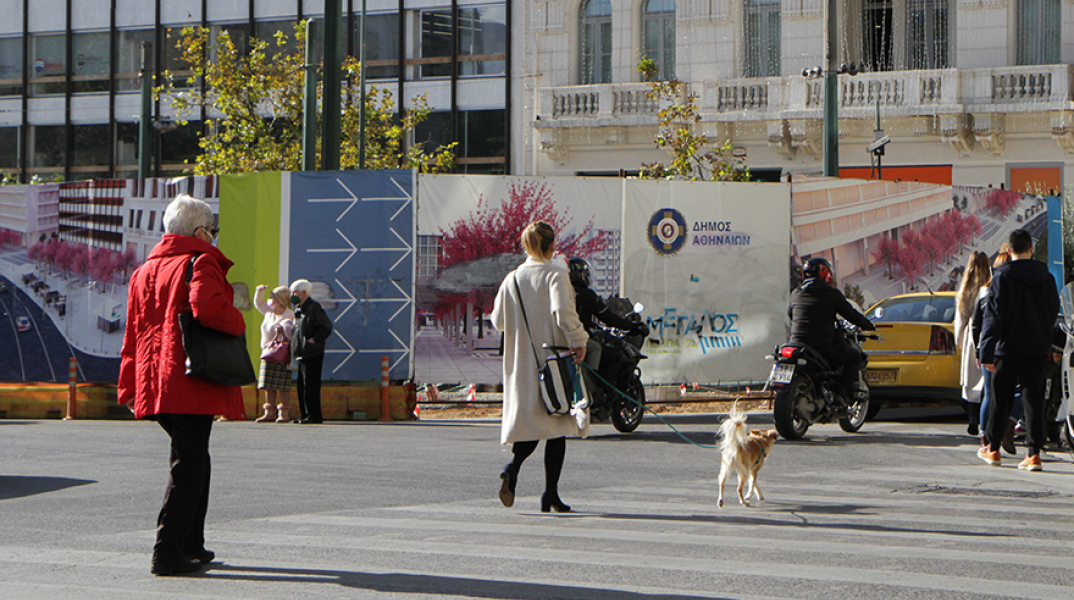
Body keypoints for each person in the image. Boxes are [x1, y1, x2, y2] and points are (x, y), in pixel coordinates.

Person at [118, 194, 246, 576]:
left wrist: (128, 385)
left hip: (153, 380)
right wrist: (238, 319)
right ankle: (167, 550)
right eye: (212, 230)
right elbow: (208, 308)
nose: (213, 237)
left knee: (193, 458)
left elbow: (132, 332)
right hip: (188, 379)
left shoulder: (144, 271)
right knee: (189, 463)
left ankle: (191, 542)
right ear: (200, 231)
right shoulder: (200, 261)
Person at [492, 221, 588, 513]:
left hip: (522, 365)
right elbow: (562, 312)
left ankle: (514, 468)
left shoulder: (511, 279)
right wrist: (579, 340)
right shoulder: (556, 274)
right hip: (553, 361)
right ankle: (549, 493)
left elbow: (497, 321)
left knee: (532, 424)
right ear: (551, 246)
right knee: (556, 425)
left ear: (525, 246)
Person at [977, 229, 1059, 471]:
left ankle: (993, 449)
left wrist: (986, 351)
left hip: (1007, 347)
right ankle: (1034, 454)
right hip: (1037, 347)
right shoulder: (1046, 277)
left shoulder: (1002, 277)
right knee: (1033, 399)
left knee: (1000, 398)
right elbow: (1053, 310)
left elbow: (993, 316)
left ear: (1009, 250)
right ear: (1031, 249)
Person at [788, 257, 876, 402]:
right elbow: (851, 314)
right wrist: (869, 325)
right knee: (854, 356)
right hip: (822, 347)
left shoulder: (795, 294)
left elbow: (791, 315)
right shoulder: (831, 294)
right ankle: (840, 396)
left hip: (796, 343)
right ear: (824, 273)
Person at [566, 257, 647, 391]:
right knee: (613, 357)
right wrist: (632, 326)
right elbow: (608, 317)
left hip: (563, 340)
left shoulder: (565, 294)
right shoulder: (586, 295)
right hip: (580, 340)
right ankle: (600, 390)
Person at [973, 250, 1022, 453]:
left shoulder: (984, 292)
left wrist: (979, 351)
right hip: (1007, 347)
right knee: (1017, 391)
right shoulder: (1013, 290)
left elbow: (976, 324)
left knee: (989, 393)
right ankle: (1009, 424)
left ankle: (985, 436)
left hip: (988, 347)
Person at [953, 251, 990, 436]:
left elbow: (960, 319)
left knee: (971, 382)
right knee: (986, 382)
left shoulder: (964, 290)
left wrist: (959, 341)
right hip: (988, 334)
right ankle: (985, 421)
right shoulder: (990, 286)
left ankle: (973, 419)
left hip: (970, 336)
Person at [290, 279, 332, 424]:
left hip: (312, 352)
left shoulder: (313, 308)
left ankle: (314, 415)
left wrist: (313, 340)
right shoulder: (299, 309)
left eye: (295, 292)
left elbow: (326, 327)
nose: (292, 295)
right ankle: (304, 414)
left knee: (311, 385)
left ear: (303, 293)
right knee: (302, 385)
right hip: (302, 352)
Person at [254, 285, 295, 423]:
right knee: (268, 384)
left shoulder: (289, 314)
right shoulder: (269, 312)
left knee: (283, 385)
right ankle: (269, 412)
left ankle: (284, 412)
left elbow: (291, 334)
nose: (270, 300)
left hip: (282, 353)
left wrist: (284, 329)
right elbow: (259, 303)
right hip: (268, 352)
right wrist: (260, 291)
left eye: (273, 298)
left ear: (280, 299)